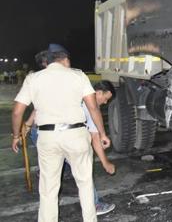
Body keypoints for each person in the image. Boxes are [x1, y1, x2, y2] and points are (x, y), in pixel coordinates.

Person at [11, 44, 110, 222]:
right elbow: (93, 107)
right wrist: (102, 134)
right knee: (85, 183)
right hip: (76, 135)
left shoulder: (34, 79)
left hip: (47, 137)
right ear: (65, 59)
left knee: (49, 189)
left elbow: (17, 111)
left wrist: (16, 136)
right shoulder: (78, 75)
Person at [24, 80, 118, 216]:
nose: (104, 103)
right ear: (98, 93)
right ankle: (94, 204)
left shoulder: (71, 92)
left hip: (39, 132)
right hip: (60, 136)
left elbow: (41, 104)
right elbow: (95, 138)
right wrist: (105, 163)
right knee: (82, 167)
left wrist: (27, 124)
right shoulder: (90, 106)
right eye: (105, 99)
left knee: (57, 162)